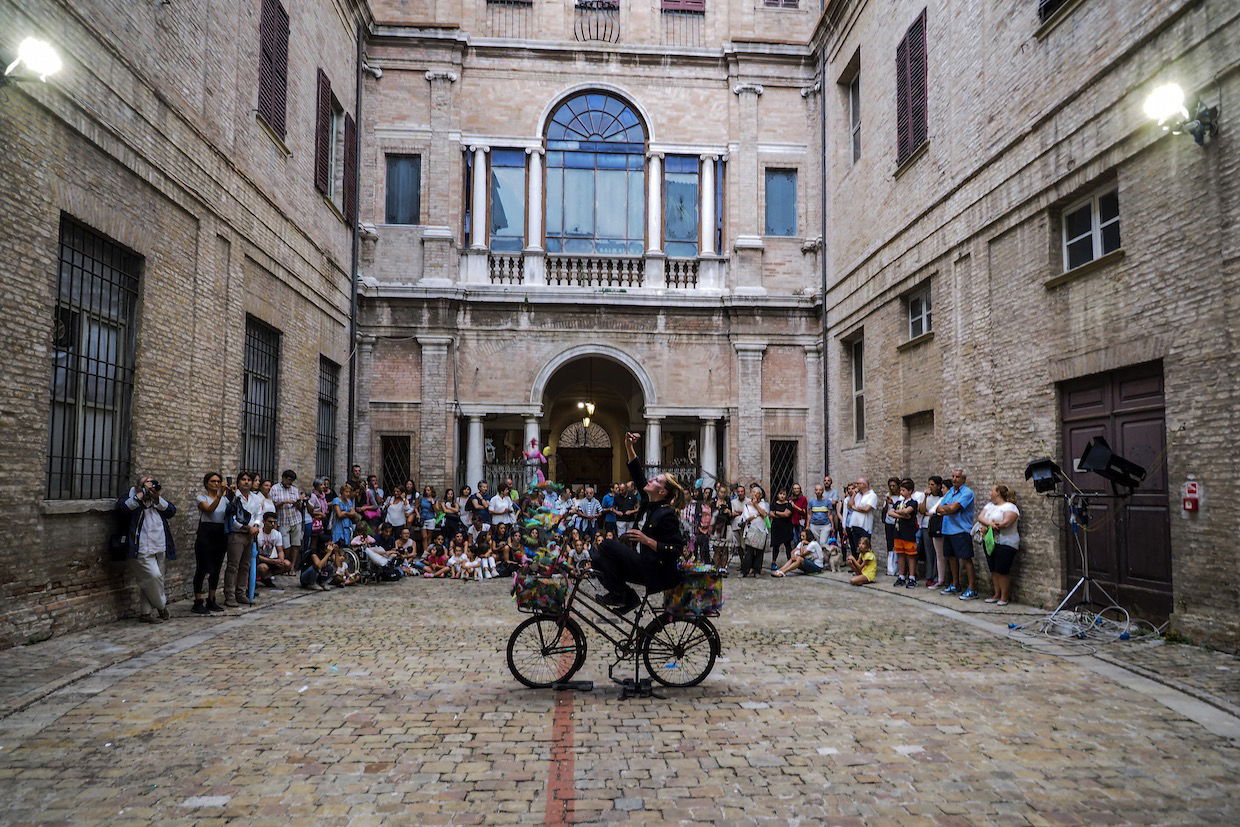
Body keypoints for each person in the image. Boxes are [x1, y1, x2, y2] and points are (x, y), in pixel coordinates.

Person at [589, 432, 689, 614]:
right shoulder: (648, 502)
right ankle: (627, 597)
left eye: (657, 480)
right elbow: (638, 474)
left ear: (663, 492)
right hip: (641, 563)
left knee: (608, 545)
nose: (651, 479)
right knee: (597, 560)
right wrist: (628, 446)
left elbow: (676, 549)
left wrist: (647, 540)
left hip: (654, 570)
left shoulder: (667, 514)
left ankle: (622, 596)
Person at [118, 475, 176, 623]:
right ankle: (161, 606)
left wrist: (157, 498)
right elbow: (122, 510)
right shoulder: (131, 498)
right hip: (141, 547)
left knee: (150, 581)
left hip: (160, 546)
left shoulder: (156, 501)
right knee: (153, 577)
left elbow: (171, 511)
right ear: (140, 486)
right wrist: (140, 497)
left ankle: (146, 613)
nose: (151, 488)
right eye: (147, 484)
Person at [224, 472, 264, 607]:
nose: (246, 482)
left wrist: (256, 526)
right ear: (239, 481)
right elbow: (232, 517)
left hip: (251, 535)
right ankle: (229, 595)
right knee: (233, 566)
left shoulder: (255, 498)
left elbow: (258, 514)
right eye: (243, 479)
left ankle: (241, 593)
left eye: (248, 480)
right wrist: (247, 527)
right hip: (237, 533)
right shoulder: (234, 497)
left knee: (245, 566)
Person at [936, 467, 977, 599]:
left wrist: (948, 508)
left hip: (961, 530)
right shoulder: (950, 492)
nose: (954, 479)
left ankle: (972, 589)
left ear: (963, 479)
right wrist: (947, 508)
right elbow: (938, 508)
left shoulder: (967, 492)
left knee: (966, 559)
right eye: (953, 476)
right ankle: (955, 584)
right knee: (951, 558)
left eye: (957, 477)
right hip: (948, 529)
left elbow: (953, 508)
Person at [192, 472, 229, 616]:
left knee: (216, 567)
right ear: (207, 483)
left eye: (219, 481)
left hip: (220, 533)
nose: (216, 484)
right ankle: (198, 601)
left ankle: (211, 598)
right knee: (202, 567)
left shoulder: (225, 499)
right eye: (213, 481)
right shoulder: (201, 498)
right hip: (206, 533)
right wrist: (219, 496)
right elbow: (209, 510)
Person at [978, 484, 1020, 605]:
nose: (990, 493)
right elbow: (981, 517)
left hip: (1006, 542)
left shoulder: (1010, 507)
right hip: (991, 541)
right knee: (994, 569)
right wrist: (991, 525)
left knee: (1002, 570)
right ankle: (996, 594)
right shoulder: (989, 506)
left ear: (998, 493)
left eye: (992, 491)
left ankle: (1004, 597)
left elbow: (1006, 523)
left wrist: (990, 526)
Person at [888, 479, 919, 588]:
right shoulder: (898, 503)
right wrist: (902, 516)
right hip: (898, 532)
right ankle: (901, 576)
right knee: (900, 554)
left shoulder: (913, 503)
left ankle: (912, 577)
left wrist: (902, 513)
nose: (901, 492)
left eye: (903, 490)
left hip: (909, 532)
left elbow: (907, 511)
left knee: (910, 555)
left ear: (910, 491)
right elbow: (890, 512)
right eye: (901, 490)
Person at [271, 470, 304, 568]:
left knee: (296, 544)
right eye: (289, 480)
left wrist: (298, 503)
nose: (290, 483)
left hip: (295, 519)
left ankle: (292, 566)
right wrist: (284, 502)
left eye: (292, 481)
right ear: (283, 478)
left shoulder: (294, 489)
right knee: (285, 545)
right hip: (283, 520)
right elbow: (273, 506)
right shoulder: (274, 489)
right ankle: (286, 565)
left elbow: (300, 507)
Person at [919, 475, 946, 589]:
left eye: (932, 484)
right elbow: (922, 510)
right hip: (926, 526)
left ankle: (937, 576)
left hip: (937, 526)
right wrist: (925, 497)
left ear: (939, 486)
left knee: (938, 553)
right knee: (929, 552)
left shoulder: (942, 498)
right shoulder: (926, 497)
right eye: (929, 484)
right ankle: (929, 576)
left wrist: (930, 513)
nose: (930, 487)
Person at [739, 485, 770, 578]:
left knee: (759, 552)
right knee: (749, 552)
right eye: (753, 492)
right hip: (751, 530)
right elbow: (747, 518)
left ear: (760, 495)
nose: (755, 494)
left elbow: (764, 514)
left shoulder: (764, 504)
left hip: (762, 530)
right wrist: (757, 515)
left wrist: (756, 505)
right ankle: (744, 571)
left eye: (757, 493)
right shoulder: (746, 505)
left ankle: (757, 571)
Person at [256, 511, 293, 588]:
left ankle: (266, 577)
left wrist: (281, 560)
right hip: (259, 559)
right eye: (270, 522)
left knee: (287, 564)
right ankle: (260, 577)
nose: (272, 524)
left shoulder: (277, 534)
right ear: (264, 522)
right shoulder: (258, 534)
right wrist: (272, 561)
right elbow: (256, 555)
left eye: (274, 522)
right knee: (263, 568)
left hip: (270, 559)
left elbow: (280, 550)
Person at [845, 478, 878, 557]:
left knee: (865, 547)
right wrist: (853, 494)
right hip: (855, 524)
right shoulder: (858, 495)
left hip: (865, 525)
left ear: (864, 485)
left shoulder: (872, 495)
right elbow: (849, 506)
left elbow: (867, 509)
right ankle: (857, 566)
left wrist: (855, 508)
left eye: (858, 484)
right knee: (856, 547)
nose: (856, 485)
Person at [768, 488, 795, 571]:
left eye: (784, 494)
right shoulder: (773, 504)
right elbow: (770, 514)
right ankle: (773, 562)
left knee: (788, 546)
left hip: (786, 527)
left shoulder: (789, 504)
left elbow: (787, 514)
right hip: (776, 527)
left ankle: (789, 562)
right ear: (777, 495)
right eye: (780, 494)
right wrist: (781, 514)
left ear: (786, 495)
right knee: (776, 546)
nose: (782, 496)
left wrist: (776, 512)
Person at [882, 476, 901, 578]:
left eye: (894, 485)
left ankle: (898, 568)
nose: (892, 488)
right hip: (888, 522)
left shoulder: (901, 497)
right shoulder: (887, 495)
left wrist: (893, 504)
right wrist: (886, 503)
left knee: (897, 544)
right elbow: (884, 510)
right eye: (890, 486)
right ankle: (890, 568)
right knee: (889, 544)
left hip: (898, 522)